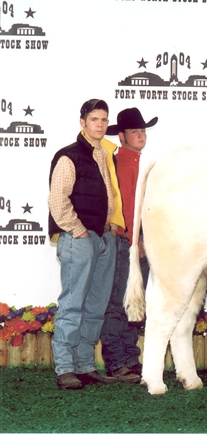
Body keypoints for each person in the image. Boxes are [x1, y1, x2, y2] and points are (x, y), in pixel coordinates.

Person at [48, 99, 125, 389]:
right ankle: (65, 367)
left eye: (104, 120)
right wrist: (78, 230)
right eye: (95, 119)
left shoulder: (105, 155)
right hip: (80, 237)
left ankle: (84, 364)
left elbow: (111, 195)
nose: (100, 125)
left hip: (104, 236)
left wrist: (111, 227)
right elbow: (57, 199)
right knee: (73, 303)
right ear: (83, 122)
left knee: (96, 305)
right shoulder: (69, 156)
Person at [99, 107, 158, 383]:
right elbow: (127, 205)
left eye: (143, 130)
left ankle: (129, 358)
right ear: (121, 136)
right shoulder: (121, 162)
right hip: (127, 240)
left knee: (134, 299)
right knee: (119, 300)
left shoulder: (141, 162)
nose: (141, 135)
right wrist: (136, 239)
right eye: (135, 131)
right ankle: (117, 360)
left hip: (138, 240)